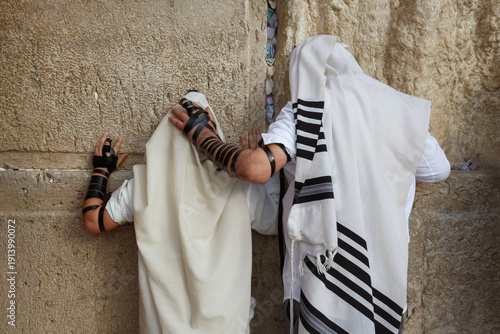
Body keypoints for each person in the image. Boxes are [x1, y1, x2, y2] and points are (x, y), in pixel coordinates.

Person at [169, 35, 450, 334]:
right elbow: (439, 169)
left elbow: (254, 167)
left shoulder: (306, 111)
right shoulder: (395, 112)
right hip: (381, 285)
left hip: (319, 282)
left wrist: (205, 138)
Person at [81, 91, 280, 334]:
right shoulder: (236, 186)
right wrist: (263, 173)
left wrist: (101, 169)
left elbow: (93, 220)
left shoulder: (145, 185)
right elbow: (275, 222)